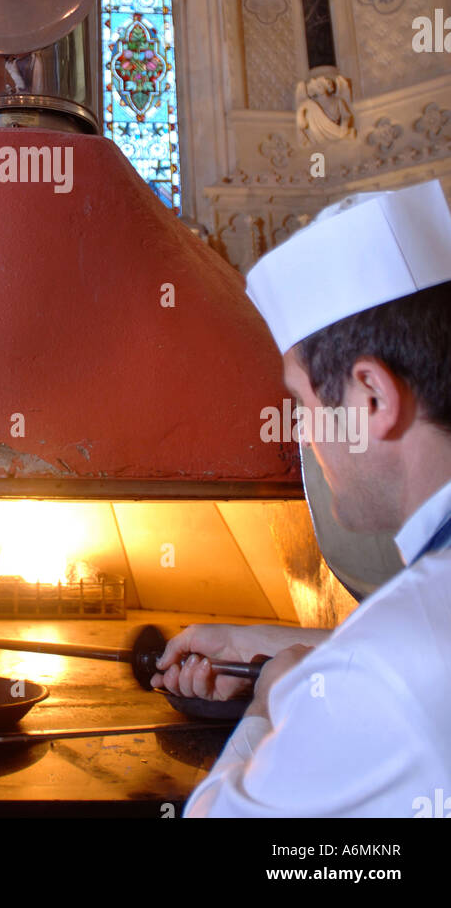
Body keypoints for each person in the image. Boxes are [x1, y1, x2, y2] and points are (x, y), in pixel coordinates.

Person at [152, 179, 451, 817]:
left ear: (371, 398)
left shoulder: (377, 678)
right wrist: (264, 643)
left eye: (303, 404)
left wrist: (271, 706)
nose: (302, 436)